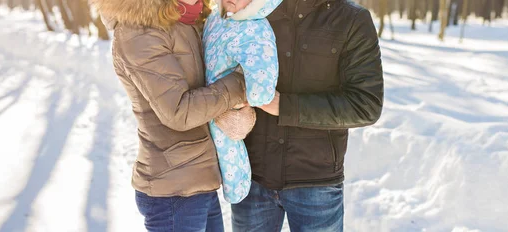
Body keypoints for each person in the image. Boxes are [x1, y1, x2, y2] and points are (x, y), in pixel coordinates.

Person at [94, 0, 249, 231]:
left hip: (200, 180)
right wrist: (240, 84)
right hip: (173, 192)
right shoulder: (139, 31)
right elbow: (178, 111)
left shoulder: (189, 20)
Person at [231, 0, 384, 231]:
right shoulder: (255, 10)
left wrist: (286, 106)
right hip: (252, 179)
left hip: (316, 184)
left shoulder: (352, 19)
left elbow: (366, 105)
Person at [202, 0, 282, 203]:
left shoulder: (254, 28)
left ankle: (236, 189)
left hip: (227, 107)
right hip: (204, 100)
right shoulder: (216, 17)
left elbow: (263, 84)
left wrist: (248, 94)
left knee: (228, 143)